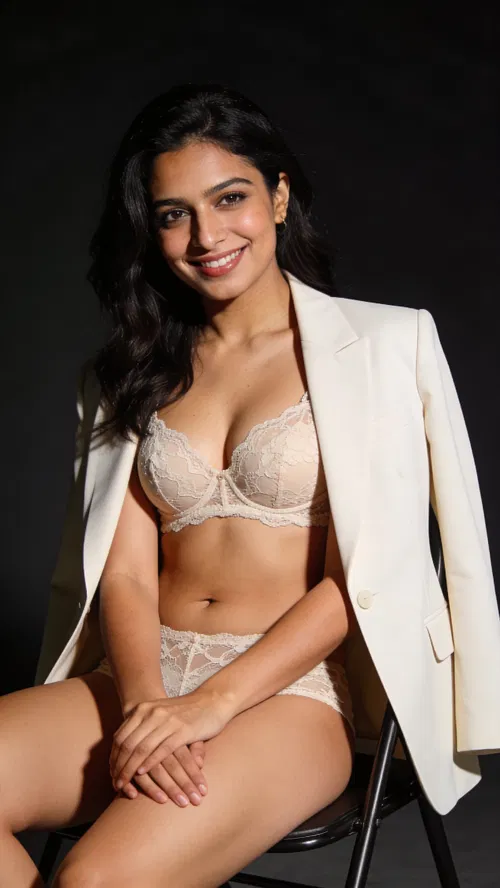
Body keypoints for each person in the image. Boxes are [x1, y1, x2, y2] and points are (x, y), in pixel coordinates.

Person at [1, 82, 499, 888]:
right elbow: (126, 573)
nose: (206, 236)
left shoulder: (382, 347)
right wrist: (148, 706)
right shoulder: (127, 369)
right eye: (173, 214)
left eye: (229, 198)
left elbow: (369, 578)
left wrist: (210, 707)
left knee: (96, 881)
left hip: (293, 695)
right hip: (145, 673)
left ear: (278, 195)